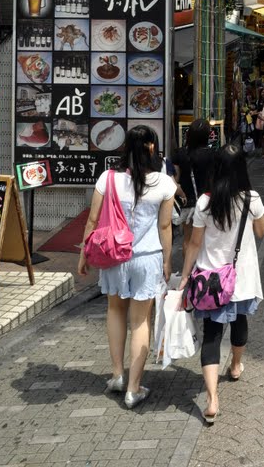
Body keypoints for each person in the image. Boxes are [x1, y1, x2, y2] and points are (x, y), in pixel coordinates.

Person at [78, 125, 175, 408]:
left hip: (113, 257)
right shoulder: (164, 183)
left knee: (114, 310)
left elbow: (93, 221)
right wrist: (168, 260)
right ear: (152, 148)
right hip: (147, 258)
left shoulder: (108, 179)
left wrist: (84, 254)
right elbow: (165, 225)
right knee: (141, 321)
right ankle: (134, 388)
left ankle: (118, 375)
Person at [180, 144, 264, 423]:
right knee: (240, 323)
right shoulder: (250, 198)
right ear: (241, 167)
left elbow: (194, 243)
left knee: (212, 335)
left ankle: (212, 398)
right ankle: (237, 365)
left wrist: (184, 276)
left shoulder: (205, 202)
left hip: (210, 282)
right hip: (240, 278)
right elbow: (262, 232)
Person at [171, 119, 215, 255]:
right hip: (208, 202)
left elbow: (175, 179)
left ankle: (188, 272)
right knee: (208, 239)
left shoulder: (180, 153)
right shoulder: (213, 154)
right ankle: (203, 271)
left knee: (188, 239)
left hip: (188, 202)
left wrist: (181, 193)